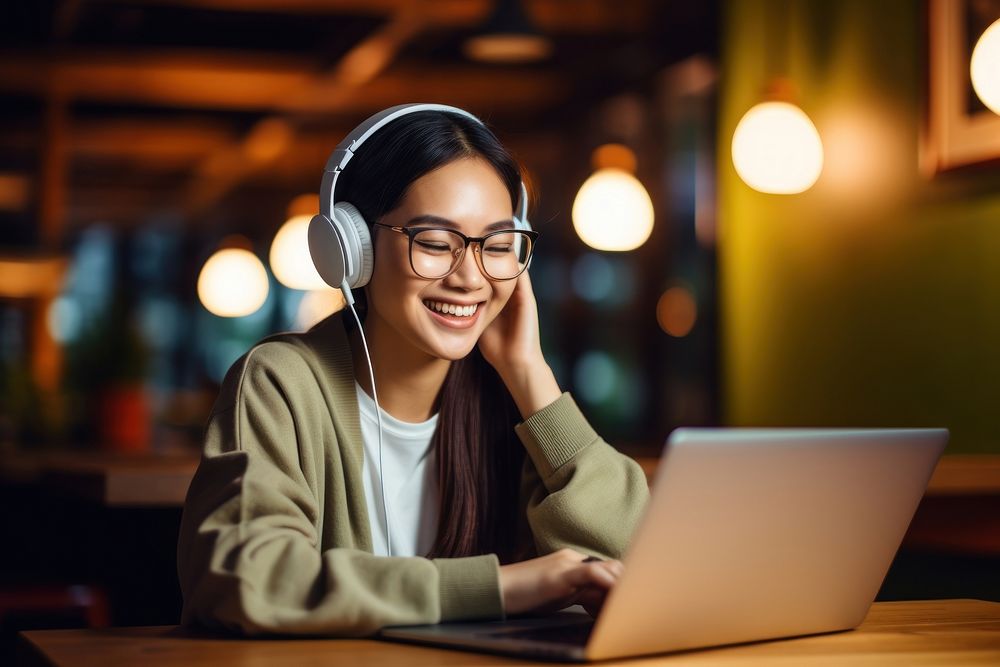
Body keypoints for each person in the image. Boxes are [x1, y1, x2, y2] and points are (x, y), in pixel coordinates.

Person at [176, 105, 650, 636]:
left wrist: (528, 371)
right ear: (353, 248)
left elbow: (639, 571)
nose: (470, 277)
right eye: (434, 243)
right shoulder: (281, 382)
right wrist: (504, 586)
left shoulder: (511, 398)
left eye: (495, 246)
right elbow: (246, 579)